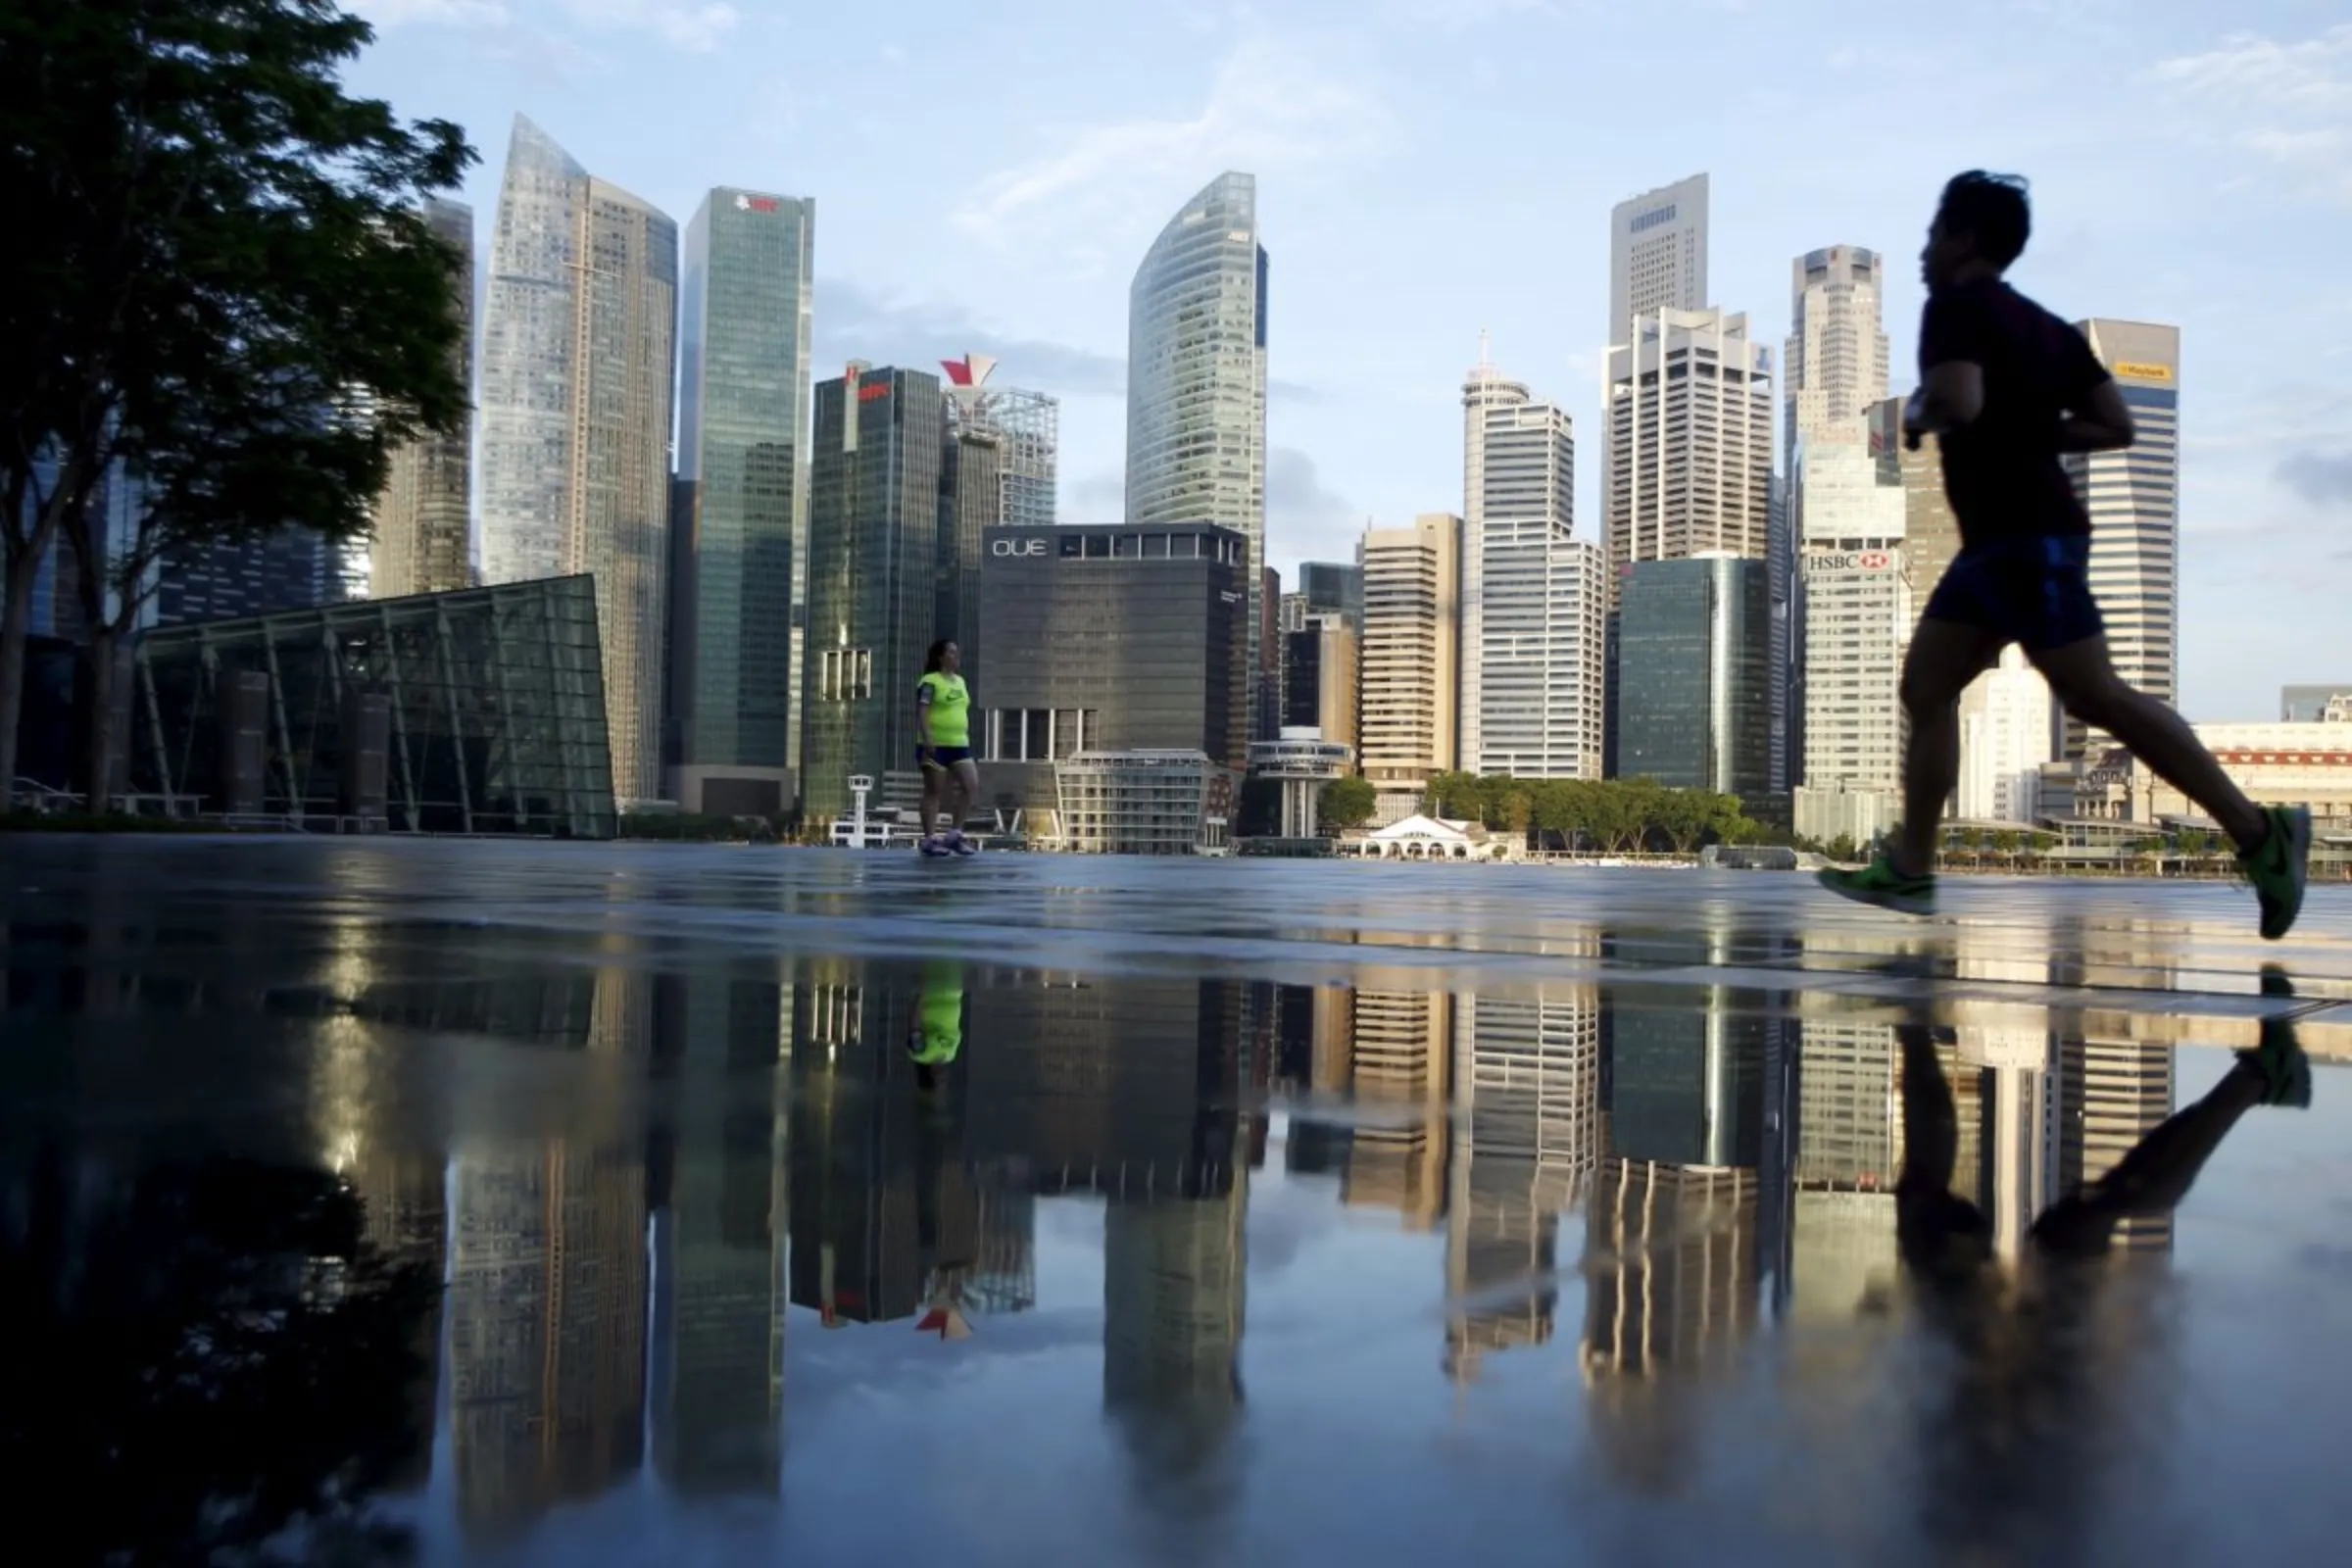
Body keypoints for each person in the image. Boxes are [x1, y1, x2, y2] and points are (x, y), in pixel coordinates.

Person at [1820, 171, 2310, 939]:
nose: (1923, 251)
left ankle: (2258, 832)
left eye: (1934, 233)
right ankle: (1911, 870)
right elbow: (2114, 423)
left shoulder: (1954, 307)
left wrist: (1919, 411)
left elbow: (1960, 401)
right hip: (2001, 543)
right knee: (1926, 685)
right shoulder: (2047, 329)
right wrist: (2033, 431)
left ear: (1965, 240)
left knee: (2096, 697)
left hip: (2024, 538)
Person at [914, 638, 980, 858]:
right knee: (934, 792)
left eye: (957, 652)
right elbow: (923, 710)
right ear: (941, 657)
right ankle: (930, 839)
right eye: (951, 652)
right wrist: (927, 737)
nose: (956, 656)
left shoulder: (960, 682)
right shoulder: (930, 681)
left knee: (971, 786)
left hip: (960, 744)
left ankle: (955, 834)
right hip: (936, 745)